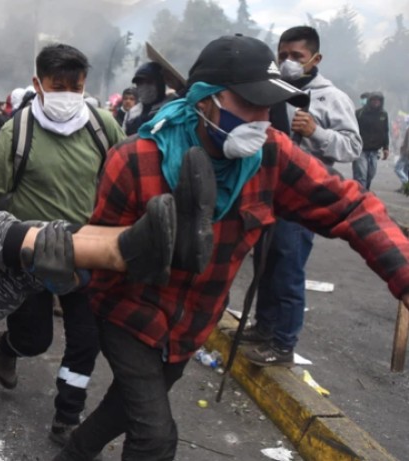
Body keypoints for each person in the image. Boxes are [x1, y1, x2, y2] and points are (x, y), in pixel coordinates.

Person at [53, 34, 409, 461]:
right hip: (129, 316)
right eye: (249, 104)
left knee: (121, 412)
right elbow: (96, 250)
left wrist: (403, 272)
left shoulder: (270, 155)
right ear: (205, 102)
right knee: (154, 438)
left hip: (191, 326)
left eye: (268, 106)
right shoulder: (134, 160)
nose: (263, 118)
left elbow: (349, 206)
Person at [0, 43, 126, 446]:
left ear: (85, 86)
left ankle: (67, 415)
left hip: (85, 253)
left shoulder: (104, 126)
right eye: (57, 85)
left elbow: (126, 178)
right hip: (28, 258)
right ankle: (6, 345)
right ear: (38, 84)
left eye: (75, 86)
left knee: (86, 341)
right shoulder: (19, 129)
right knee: (35, 339)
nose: (67, 94)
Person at [241, 26, 362, 366]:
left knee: (289, 268)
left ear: (315, 58)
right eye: (283, 55)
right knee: (264, 263)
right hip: (266, 192)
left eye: (297, 56)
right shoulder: (271, 91)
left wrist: (316, 132)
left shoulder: (331, 97)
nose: (288, 62)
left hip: (303, 197)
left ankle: (283, 344)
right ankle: (263, 328)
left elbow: (352, 147)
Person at [353, 92, 390, 189]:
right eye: (373, 100)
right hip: (360, 149)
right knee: (361, 176)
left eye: (378, 100)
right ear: (369, 101)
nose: (376, 102)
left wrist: (386, 148)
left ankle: (365, 192)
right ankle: (360, 197)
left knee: (370, 175)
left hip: (374, 150)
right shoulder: (359, 113)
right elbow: (352, 129)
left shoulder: (383, 114)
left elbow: (385, 131)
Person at [123, 61, 171, 136]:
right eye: (140, 84)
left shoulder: (170, 108)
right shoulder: (131, 114)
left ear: (159, 84)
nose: (144, 87)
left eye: (149, 82)